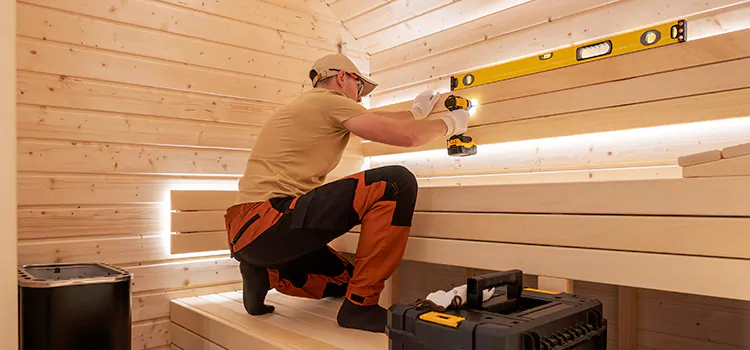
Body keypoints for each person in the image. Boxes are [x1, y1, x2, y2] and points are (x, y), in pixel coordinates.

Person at [223, 53, 470, 333]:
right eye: (359, 88)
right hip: (269, 221)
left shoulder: (312, 106)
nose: (360, 98)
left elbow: (377, 120)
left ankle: (263, 273)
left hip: (248, 233)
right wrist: (452, 123)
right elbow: (407, 137)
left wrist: (415, 114)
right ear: (343, 77)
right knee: (395, 182)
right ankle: (360, 308)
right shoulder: (328, 102)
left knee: (346, 279)